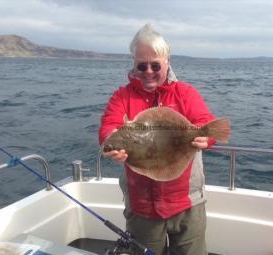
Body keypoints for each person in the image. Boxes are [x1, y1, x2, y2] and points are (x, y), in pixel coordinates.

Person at [99, 24, 229, 255]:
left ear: (167, 62)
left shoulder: (185, 93)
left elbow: (205, 120)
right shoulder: (122, 96)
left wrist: (206, 139)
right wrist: (110, 141)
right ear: (134, 65)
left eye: (155, 65)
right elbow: (109, 126)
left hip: (187, 201)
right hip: (142, 207)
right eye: (142, 65)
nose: (148, 71)